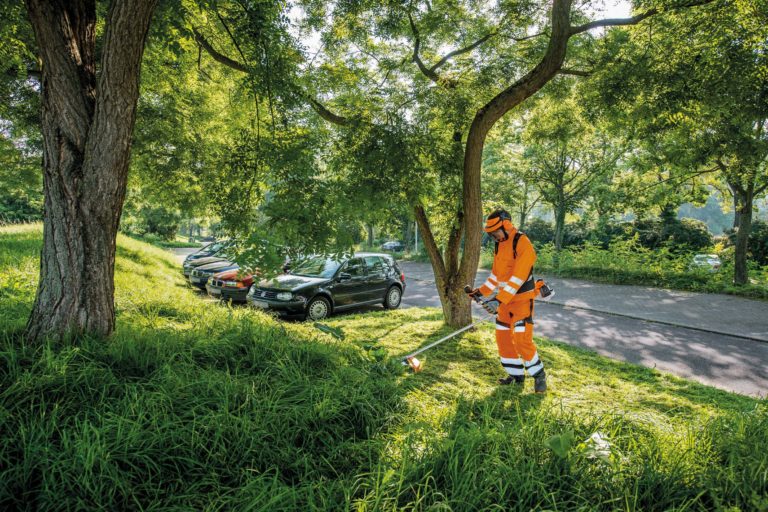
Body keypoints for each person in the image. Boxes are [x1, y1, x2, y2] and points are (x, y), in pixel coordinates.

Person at [468, 209, 550, 393]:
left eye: (495, 232)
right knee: (503, 339)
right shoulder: (499, 245)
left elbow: (519, 277)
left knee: (522, 339)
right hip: (504, 303)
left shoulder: (522, 243)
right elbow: (496, 276)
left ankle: (539, 375)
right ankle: (516, 376)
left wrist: (498, 299)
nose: (493, 237)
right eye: (490, 234)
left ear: (506, 225)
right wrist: (480, 292)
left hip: (521, 302)